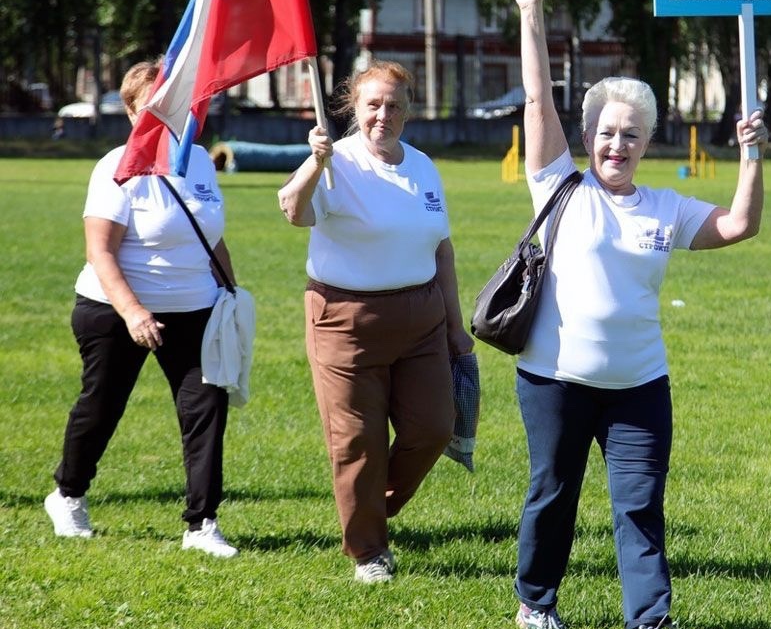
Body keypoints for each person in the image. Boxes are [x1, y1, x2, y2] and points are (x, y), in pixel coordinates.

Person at [501, 0, 765, 629]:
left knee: (640, 508)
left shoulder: (666, 207)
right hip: (554, 380)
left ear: (647, 144)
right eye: (607, 132)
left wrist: (751, 157)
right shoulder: (559, 185)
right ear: (589, 138)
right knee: (552, 497)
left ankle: (646, 625)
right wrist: (532, 16)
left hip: (641, 387)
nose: (617, 144)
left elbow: (739, 226)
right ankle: (535, 602)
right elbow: (536, 103)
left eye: (632, 135)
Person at [277, 60, 473, 584]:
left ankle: (368, 507)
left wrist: (455, 326)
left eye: (393, 105)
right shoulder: (335, 161)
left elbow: (442, 248)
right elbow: (293, 211)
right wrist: (313, 164)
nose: (382, 115)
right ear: (354, 109)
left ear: (409, 111)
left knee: (435, 428)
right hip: (346, 319)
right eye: (372, 105)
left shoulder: (424, 166)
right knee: (357, 440)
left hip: (422, 315)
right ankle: (368, 551)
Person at [45, 60, 239, 558]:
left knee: (206, 409)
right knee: (103, 405)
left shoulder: (197, 160)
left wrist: (231, 295)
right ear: (131, 112)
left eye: (171, 104)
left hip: (194, 309)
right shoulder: (114, 168)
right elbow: (100, 251)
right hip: (113, 311)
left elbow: (211, 236)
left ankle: (202, 524)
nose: (162, 115)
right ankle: (67, 495)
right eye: (150, 107)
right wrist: (133, 313)